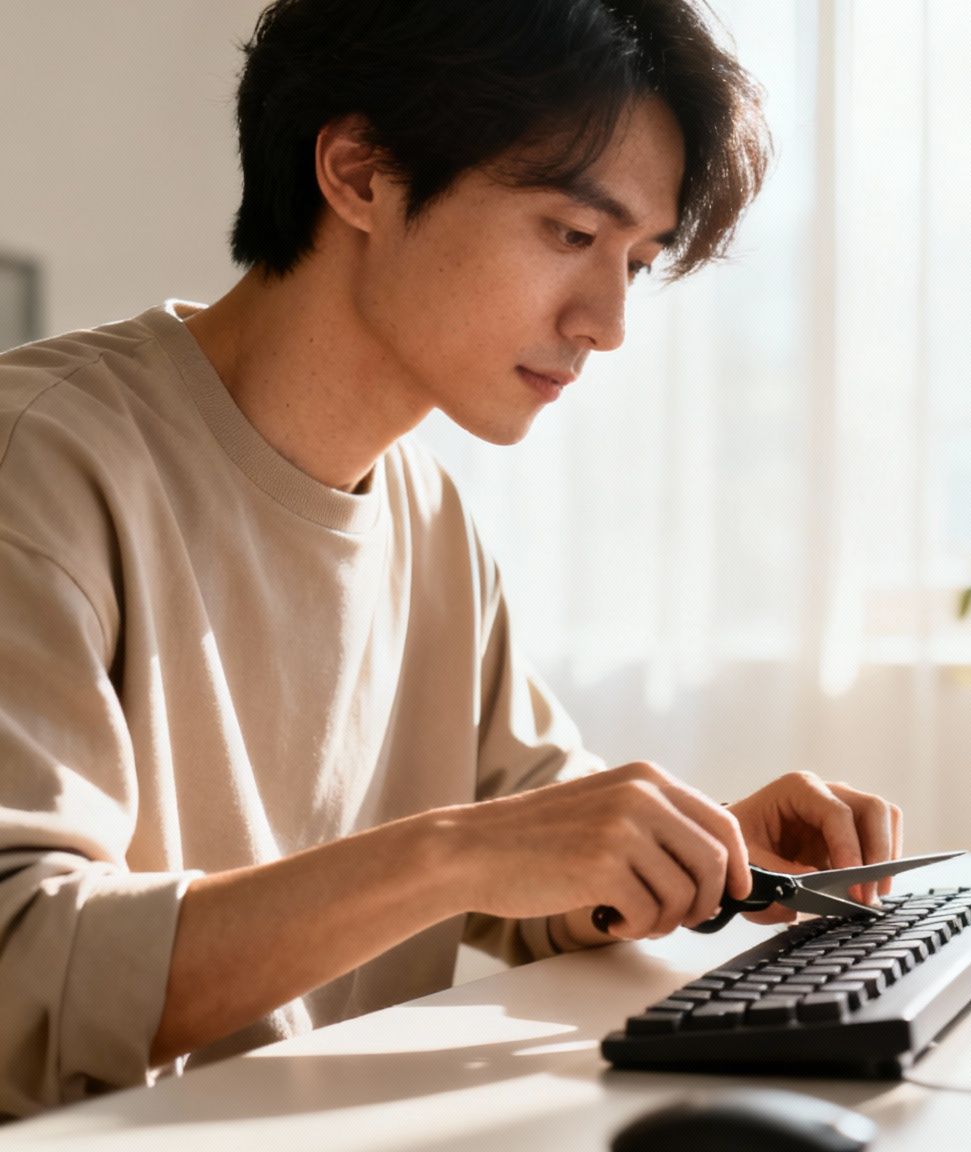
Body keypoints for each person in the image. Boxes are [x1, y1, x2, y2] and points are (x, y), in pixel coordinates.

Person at [0, 0, 920, 1117]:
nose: (607, 321)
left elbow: (524, 850)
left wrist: (695, 856)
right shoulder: (38, 463)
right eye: (572, 236)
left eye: (637, 258)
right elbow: (24, 972)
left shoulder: (425, 507)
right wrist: (450, 858)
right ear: (360, 173)